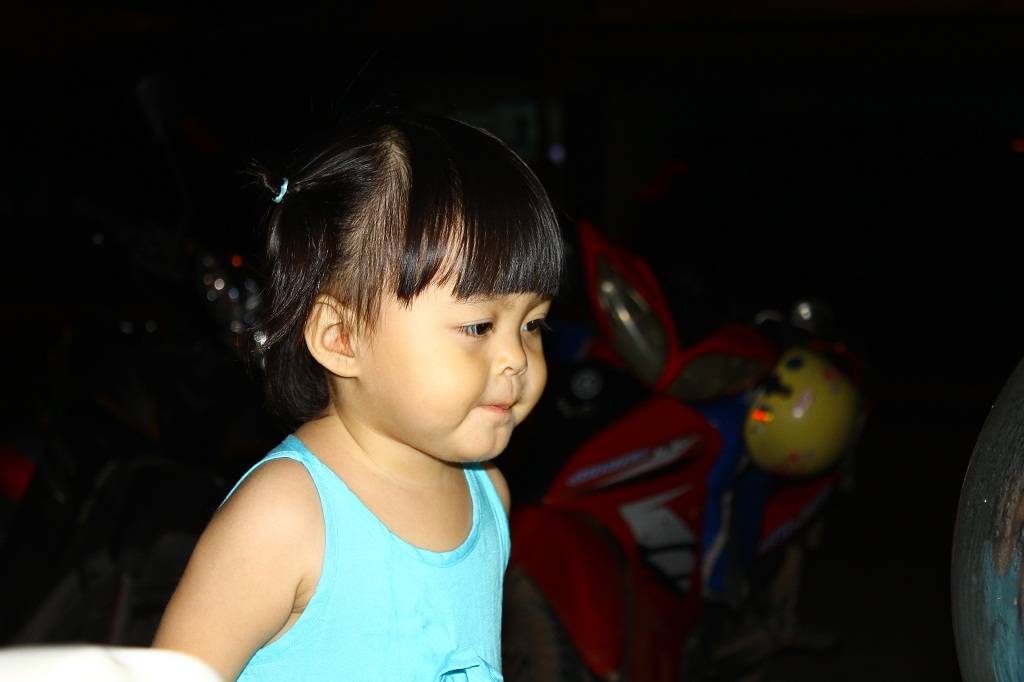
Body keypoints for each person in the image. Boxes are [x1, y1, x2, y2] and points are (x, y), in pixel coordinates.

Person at [151, 106, 565, 681]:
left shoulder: (488, 496)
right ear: (341, 338)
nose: (516, 358)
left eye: (533, 323)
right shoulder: (286, 516)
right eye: (478, 326)